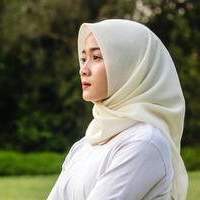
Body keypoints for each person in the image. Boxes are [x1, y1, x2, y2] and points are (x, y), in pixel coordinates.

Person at [47, 19, 188, 200]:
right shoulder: (84, 145)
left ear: (129, 66)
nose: (83, 69)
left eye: (96, 57)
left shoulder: (145, 142)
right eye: (83, 59)